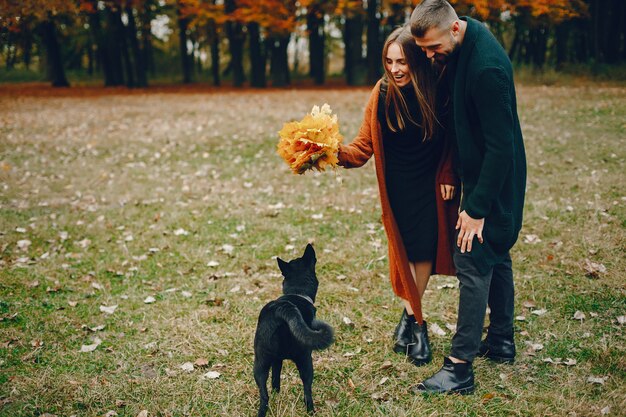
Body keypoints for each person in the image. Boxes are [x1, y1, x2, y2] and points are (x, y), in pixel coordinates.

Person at [409, 0, 527, 394]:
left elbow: (501, 147)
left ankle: (459, 367)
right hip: (481, 176)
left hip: (494, 182)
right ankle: (502, 342)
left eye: (432, 48)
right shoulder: (465, 43)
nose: (428, 56)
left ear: (454, 29)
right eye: (423, 49)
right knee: (496, 252)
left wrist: (475, 208)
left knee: (472, 258)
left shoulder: (486, 69)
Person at [337, 26, 459, 367]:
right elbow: (362, 147)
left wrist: (449, 173)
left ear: (417, 60)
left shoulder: (438, 87)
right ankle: (417, 323)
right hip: (398, 186)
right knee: (405, 252)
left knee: (424, 251)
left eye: (402, 61)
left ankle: (412, 322)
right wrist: (331, 152)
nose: (395, 69)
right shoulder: (382, 93)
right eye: (389, 61)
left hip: (429, 182)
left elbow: (454, 138)